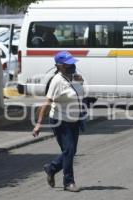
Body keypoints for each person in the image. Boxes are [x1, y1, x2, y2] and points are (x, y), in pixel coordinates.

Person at [33, 51, 85, 192]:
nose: (72, 65)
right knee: (68, 150)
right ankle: (68, 182)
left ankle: (51, 168)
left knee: (71, 151)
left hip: (74, 119)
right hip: (60, 120)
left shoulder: (73, 77)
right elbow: (47, 103)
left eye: (72, 63)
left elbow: (78, 94)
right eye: (68, 64)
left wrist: (81, 81)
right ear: (60, 66)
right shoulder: (57, 81)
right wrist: (38, 124)